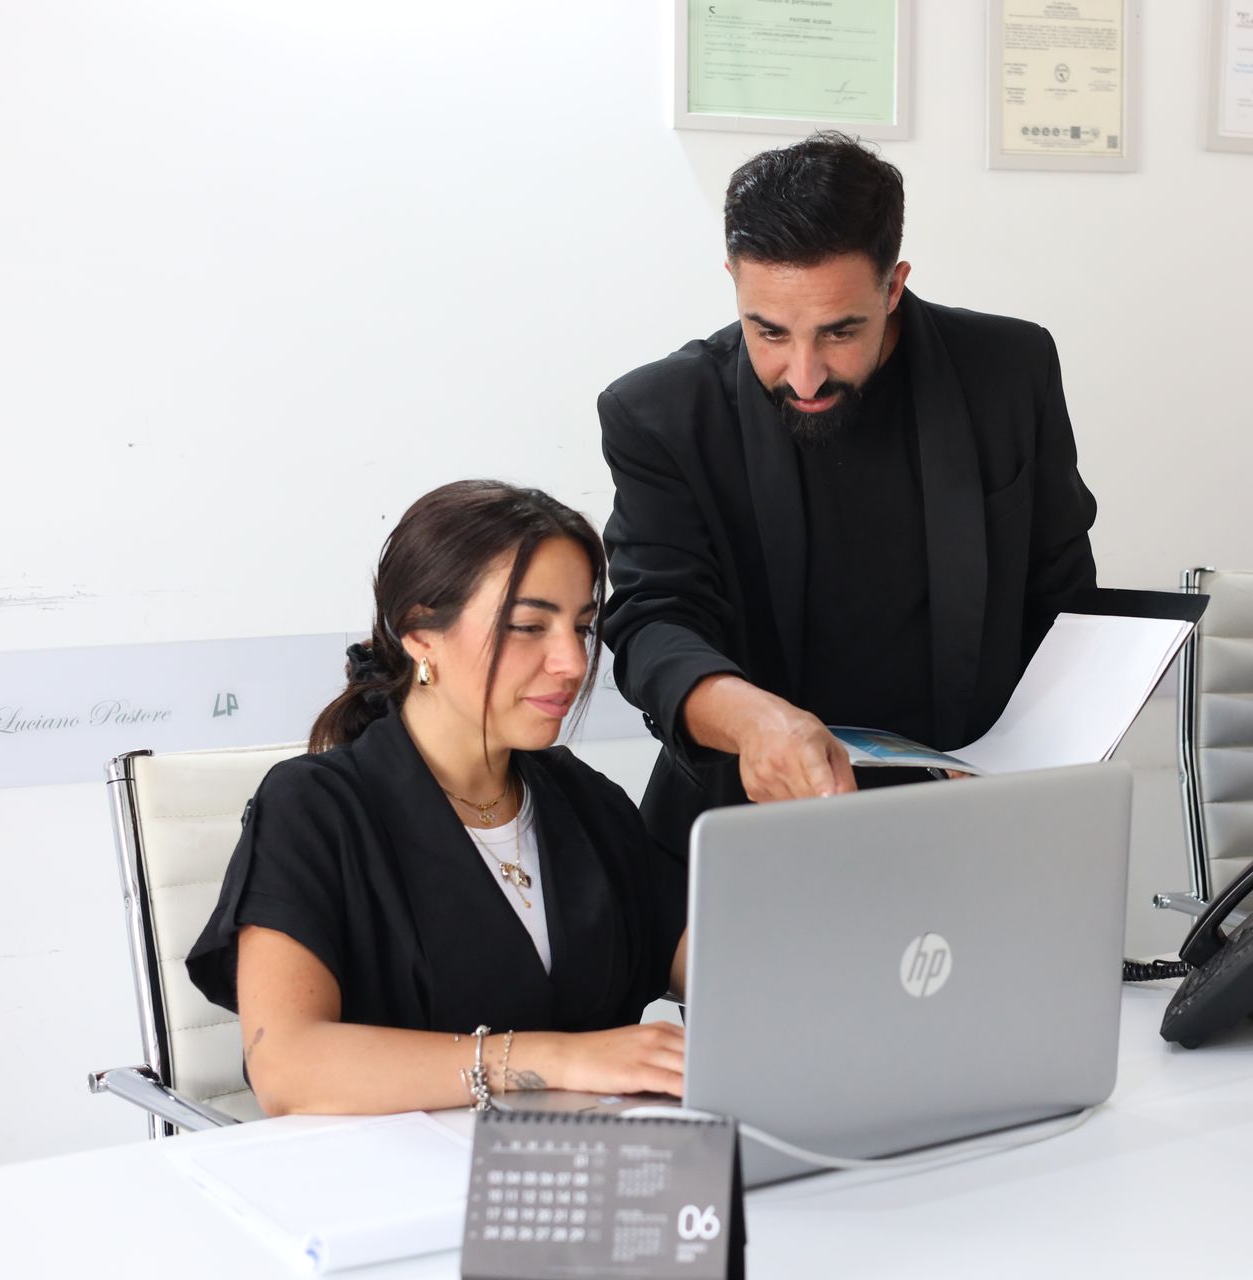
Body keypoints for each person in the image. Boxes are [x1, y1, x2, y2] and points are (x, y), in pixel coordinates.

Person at [598, 131, 1099, 854]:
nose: (803, 375)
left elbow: (1066, 602)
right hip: (748, 824)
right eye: (767, 332)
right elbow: (653, 621)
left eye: (839, 333)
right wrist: (754, 722)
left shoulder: (1008, 373)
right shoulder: (662, 414)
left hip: (972, 819)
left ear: (892, 286)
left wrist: (1032, 756)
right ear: (734, 279)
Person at [186, 481, 687, 1115]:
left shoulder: (586, 802)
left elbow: (717, 965)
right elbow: (287, 1067)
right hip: (394, 1185)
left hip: (584, 1174)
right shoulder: (315, 808)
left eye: (583, 628)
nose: (571, 662)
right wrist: (559, 1057)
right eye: (529, 626)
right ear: (420, 633)